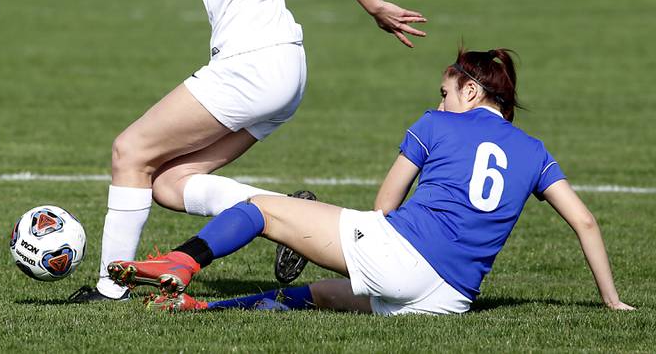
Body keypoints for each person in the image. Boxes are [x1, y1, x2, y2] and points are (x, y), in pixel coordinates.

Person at [11, 0, 427, 302]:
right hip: (272, 72)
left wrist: (374, 4)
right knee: (169, 183)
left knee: (129, 151)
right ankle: (287, 213)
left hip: (257, 62)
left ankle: (109, 287)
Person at [107, 48, 634, 315]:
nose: (439, 102)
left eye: (446, 92)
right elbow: (585, 221)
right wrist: (611, 302)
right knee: (319, 295)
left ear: (471, 92)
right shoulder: (535, 151)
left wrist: (339, 236)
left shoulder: (436, 124)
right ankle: (203, 308)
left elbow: (385, 205)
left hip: (401, 255)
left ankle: (178, 263)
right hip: (450, 299)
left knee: (265, 208)